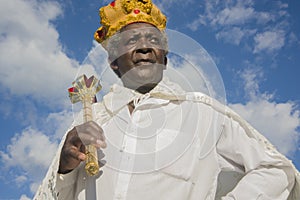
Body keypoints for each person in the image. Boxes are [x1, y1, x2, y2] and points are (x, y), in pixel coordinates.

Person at [34, 0, 300, 199]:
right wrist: (65, 167)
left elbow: (275, 170)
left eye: (153, 39)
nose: (144, 46)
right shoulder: (92, 120)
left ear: (164, 57)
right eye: (131, 40)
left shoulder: (202, 112)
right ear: (113, 62)